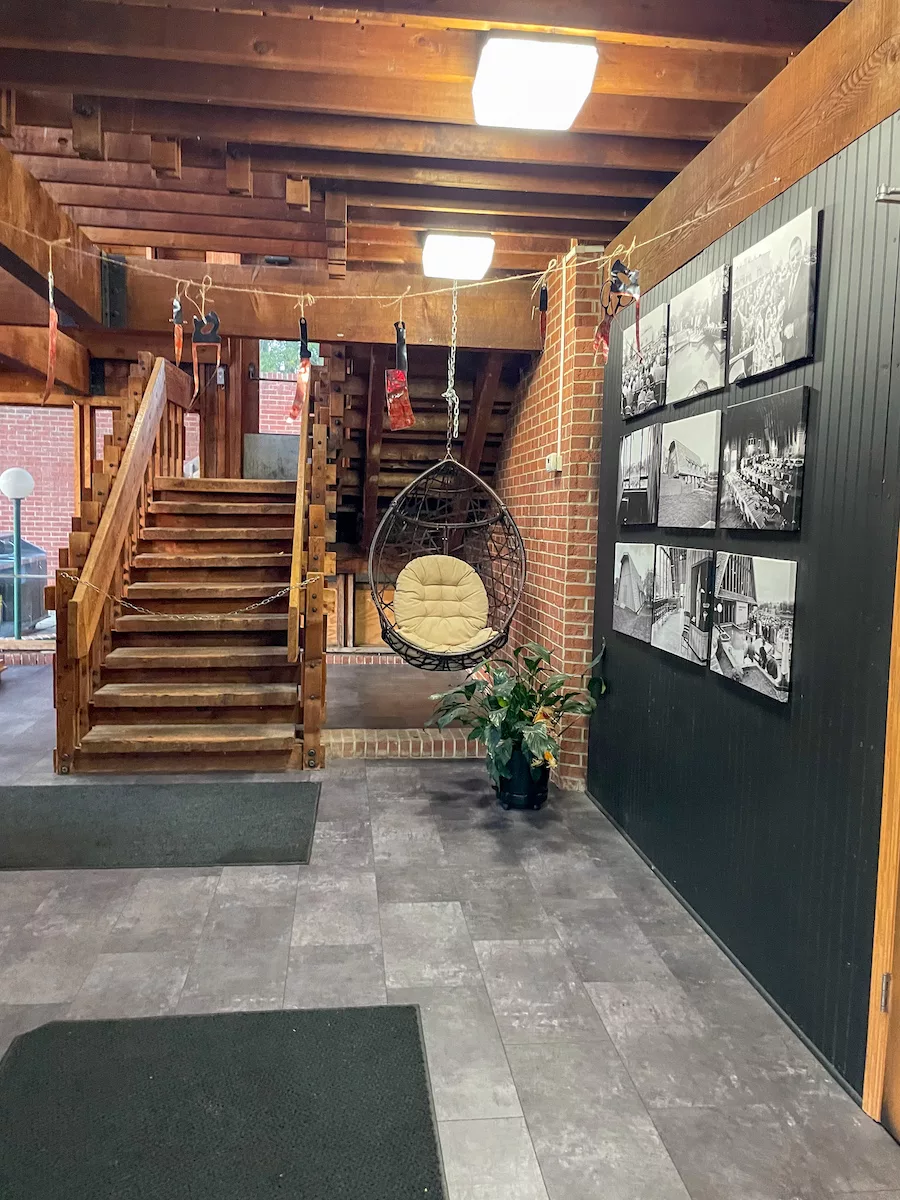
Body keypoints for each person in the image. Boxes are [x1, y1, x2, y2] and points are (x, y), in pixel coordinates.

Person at [781, 235, 809, 363]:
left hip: (801, 347)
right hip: (788, 350)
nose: (795, 261)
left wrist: (794, 328)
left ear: (802, 252)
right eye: (792, 258)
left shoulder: (809, 274)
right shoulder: (786, 284)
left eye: (798, 255)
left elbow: (813, 311)